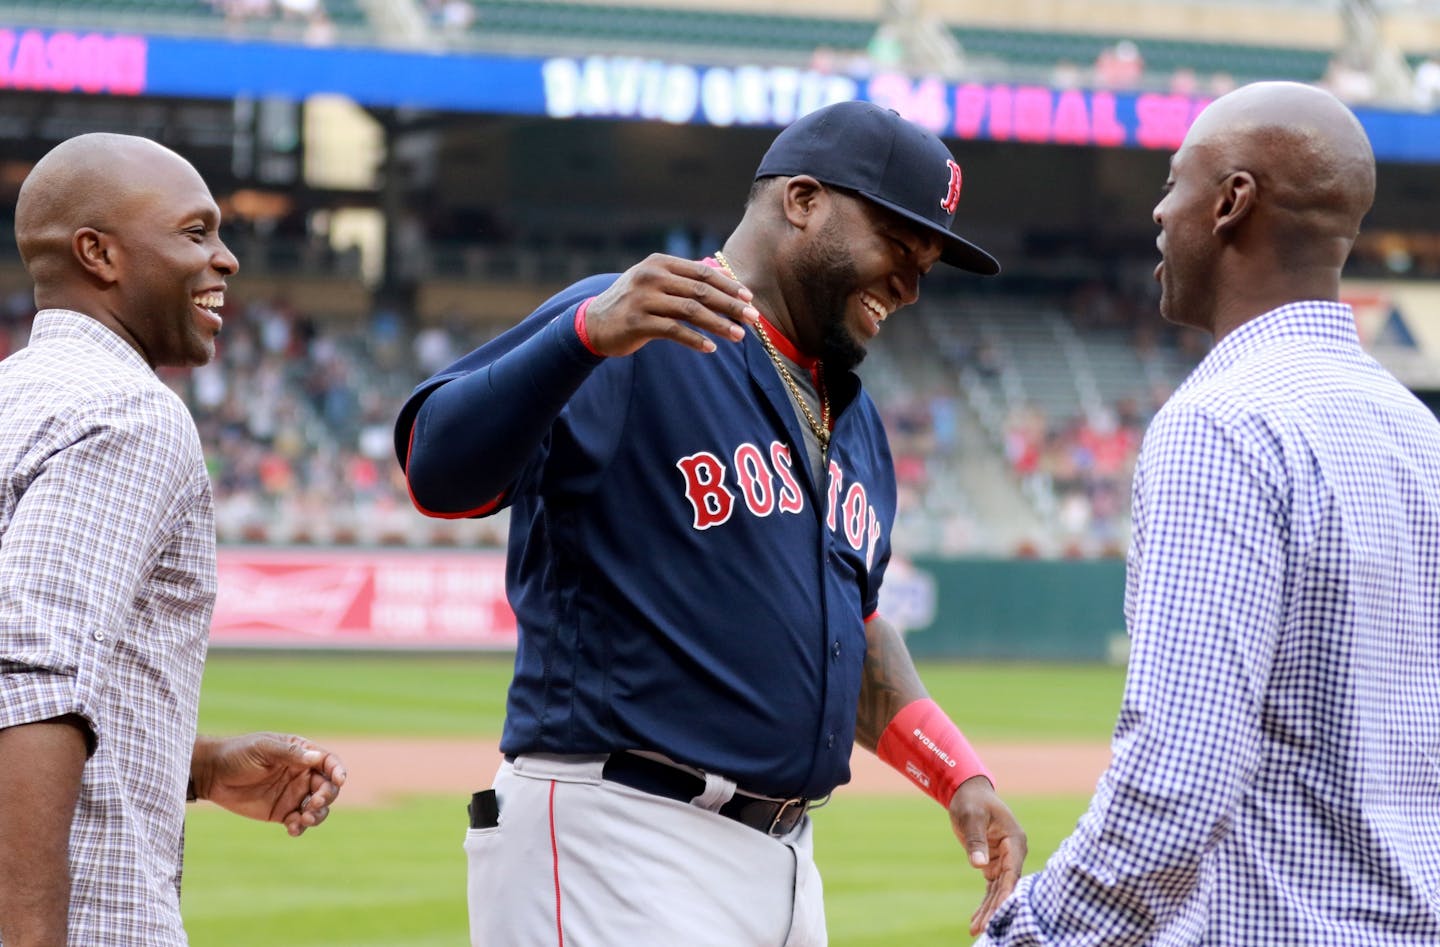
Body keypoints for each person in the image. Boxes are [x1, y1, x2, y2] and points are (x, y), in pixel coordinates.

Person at [395, 99, 1027, 945]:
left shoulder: (857, 419)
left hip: (787, 860)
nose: (912, 284)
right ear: (802, 201)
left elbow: (852, 627)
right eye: (899, 245)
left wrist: (958, 776)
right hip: (617, 834)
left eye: (927, 262)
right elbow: (439, 474)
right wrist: (581, 337)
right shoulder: (632, 322)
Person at [981, 81, 1440, 944]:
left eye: (1171, 182)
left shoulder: (1220, 424)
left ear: (1232, 201)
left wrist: (1030, 930)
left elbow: (1178, 776)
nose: (1158, 214)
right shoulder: (1417, 431)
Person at [0, 133, 347, 947]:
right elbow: (29, 680)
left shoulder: (15, 395)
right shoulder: (131, 414)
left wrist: (194, 767)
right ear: (100, 254)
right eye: (196, 233)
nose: (225, 261)